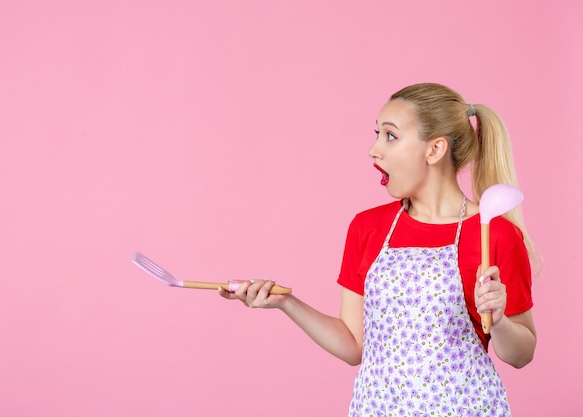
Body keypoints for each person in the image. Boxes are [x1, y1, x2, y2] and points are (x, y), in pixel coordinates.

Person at [218, 82, 537, 416]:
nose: (373, 150)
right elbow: (354, 345)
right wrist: (286, 303)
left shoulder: (495, 234)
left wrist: (499, 321)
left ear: (434, 150)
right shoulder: (367, 228)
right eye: (377, 134)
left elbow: (522, 354)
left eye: (390, 136)